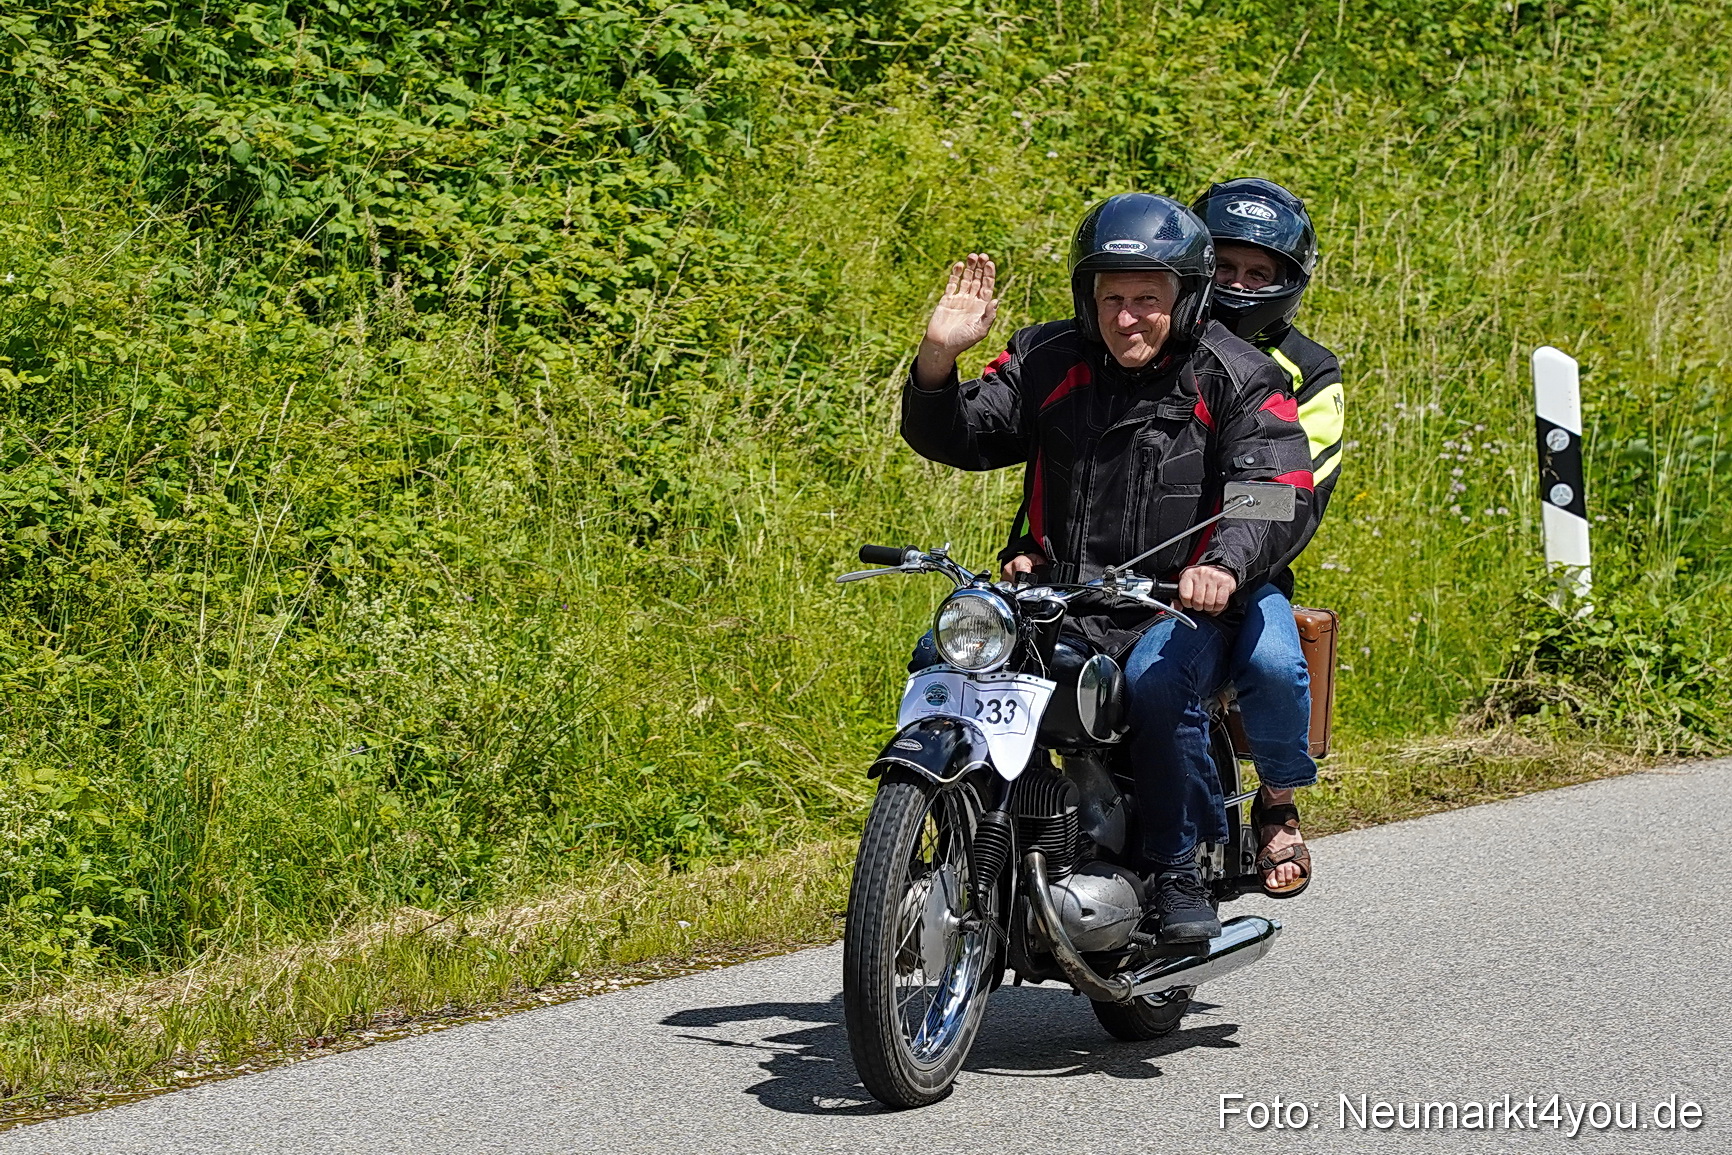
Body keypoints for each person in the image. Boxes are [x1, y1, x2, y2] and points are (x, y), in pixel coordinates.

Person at [901, 193, 1316, 942]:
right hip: (1063, 597)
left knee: (1161, 685)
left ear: (1186, 299)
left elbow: (1277, 491)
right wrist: (939, 356)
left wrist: (1221, 565)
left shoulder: (1240, 374)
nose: (1128, 317)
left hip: (1177, 605)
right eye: (1113, 297)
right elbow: (963, 434)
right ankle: (953, 840)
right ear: (1087, 298)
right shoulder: (1046, 357)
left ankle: (1174, 867)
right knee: (946, 656)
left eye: (1148, 299)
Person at [1000, 178, 1341, 900]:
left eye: (1260, 273)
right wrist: (1028, 543)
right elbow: (1075, 465)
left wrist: (1225, 560)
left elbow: (1284, 493)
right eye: (1225, 267)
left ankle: (1275, 801)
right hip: (1101, 574)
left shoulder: (1294, 371)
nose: (1239, 285)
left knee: (1275, 665)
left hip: (1235, 566)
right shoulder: (1108, 348)